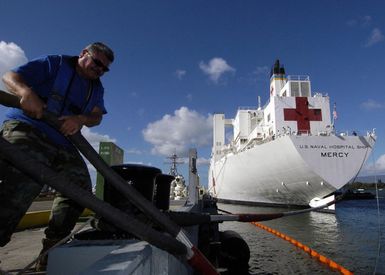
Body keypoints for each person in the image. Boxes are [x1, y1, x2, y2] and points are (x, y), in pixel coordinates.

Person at [0, 42, 114, 270]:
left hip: (62, 142)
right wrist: (26, 92)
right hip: (28, 128)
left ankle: (51, 249)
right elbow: (9, 76)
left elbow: (96, 116)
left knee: (80, 188)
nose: (99, 70)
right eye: (97, 63)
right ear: (83, 53)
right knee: (21, 182)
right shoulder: (55, 63)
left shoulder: (96, 88)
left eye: (104, 69)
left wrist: (80, 119)